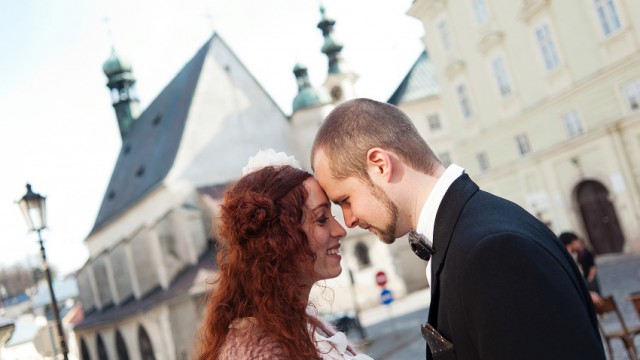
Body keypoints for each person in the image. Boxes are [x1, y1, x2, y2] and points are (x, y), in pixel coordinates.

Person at [311, 98, 605, 360]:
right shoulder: (467, 235)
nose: (348, 221)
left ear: (379, 164)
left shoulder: (494, 252)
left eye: (346, 200)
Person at [196, 149, 373, 360]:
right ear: (281, 238)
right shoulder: (255, 351)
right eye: (322, 219)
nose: (340, 230)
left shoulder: (304, 326)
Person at [559, 231, 604, 307]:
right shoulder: (564, 257)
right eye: (576, 241)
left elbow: (591, 265)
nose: (578, 243)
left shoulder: (578, 253)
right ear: (570, 243)